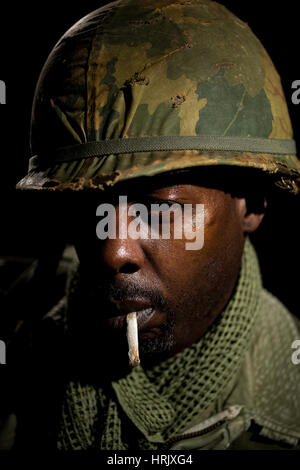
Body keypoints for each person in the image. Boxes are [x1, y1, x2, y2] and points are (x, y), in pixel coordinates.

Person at [4, 0, 300, 451]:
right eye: (88, 206)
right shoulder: (22, 326)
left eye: (157, 211)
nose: (113, 250)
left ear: (253, 203)